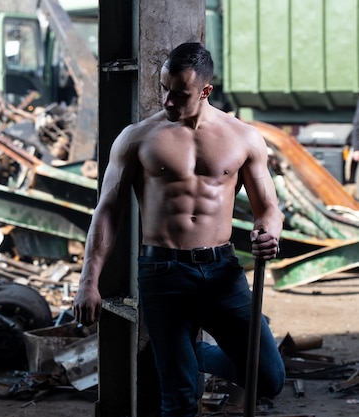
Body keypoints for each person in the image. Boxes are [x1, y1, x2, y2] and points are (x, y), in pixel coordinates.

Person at [73, 42, 286, 417]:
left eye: (180, 94)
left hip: (223, 271)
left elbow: (268, 208)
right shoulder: (136, 138)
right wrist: (88, 281)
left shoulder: (243, 138)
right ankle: (179, 357)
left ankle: (196, 353)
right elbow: (107, 211)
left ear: (205, 91)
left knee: (268, 378)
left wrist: (269, 232)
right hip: (163, 272)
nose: (168, 101)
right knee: (180, 399)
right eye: (164, 89)